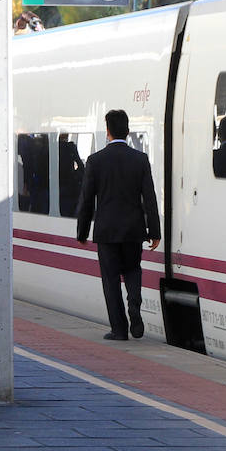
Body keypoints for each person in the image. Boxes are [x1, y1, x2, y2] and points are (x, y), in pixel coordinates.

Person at [74, 109, 160, 340]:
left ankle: (119, 329)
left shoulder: (95, 161)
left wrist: (82, 232)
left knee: (110, 281)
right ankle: (135, 305)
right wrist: (155, 232)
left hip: (107, 232)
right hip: (133, 231)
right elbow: (150, 199)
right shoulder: (140, 160)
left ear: (108, 131)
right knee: (133, 270)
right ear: (127, 130)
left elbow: (86, 201)